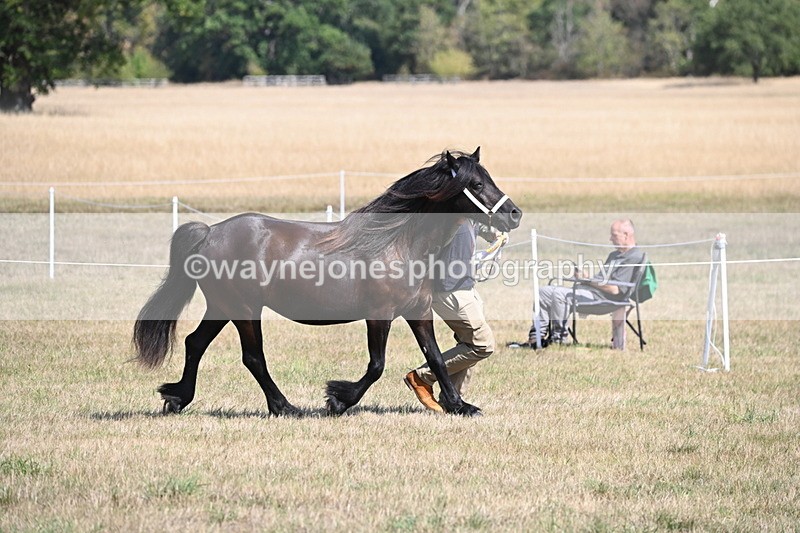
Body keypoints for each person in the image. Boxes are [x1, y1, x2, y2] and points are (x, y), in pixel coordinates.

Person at [403, 220, 500, 412]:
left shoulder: (470, 216)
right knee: (482, 344)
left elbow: (478, 227)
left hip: (464, 287)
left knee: (468, 345)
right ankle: (423, 376)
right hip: (450, 290)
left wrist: (494, 233)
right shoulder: (450, 217)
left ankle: (452, 398)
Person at [528, 218, 644, 347]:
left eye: (614, 235)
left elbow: (615, 290)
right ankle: (536, 337)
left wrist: (588, 280)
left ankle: (559, 339)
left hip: (605, 300)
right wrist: (585, 279)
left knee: (560, 295)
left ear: (626, 235)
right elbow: (601, 280)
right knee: (543, 291)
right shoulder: (614, 255)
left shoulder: (634, 257)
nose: (610, 239)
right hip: (593, 293)